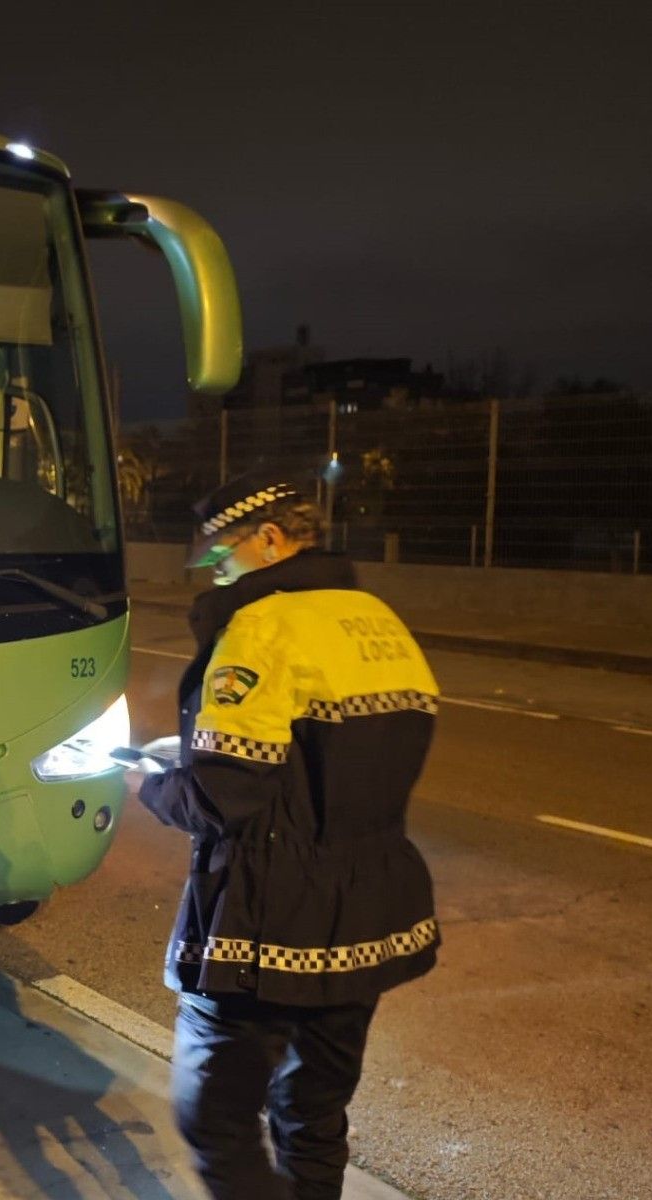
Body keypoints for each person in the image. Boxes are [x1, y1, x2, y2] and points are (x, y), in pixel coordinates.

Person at [126, 471, 441, 1200]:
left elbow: (222, 794)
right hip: (369, 909)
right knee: (313, 1112)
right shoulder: (375, 619)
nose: (217, 574)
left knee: (216, 1118)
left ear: (268, 539)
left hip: (265, 919)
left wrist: (146, 783)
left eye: (220, 558)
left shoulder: (262, 624)